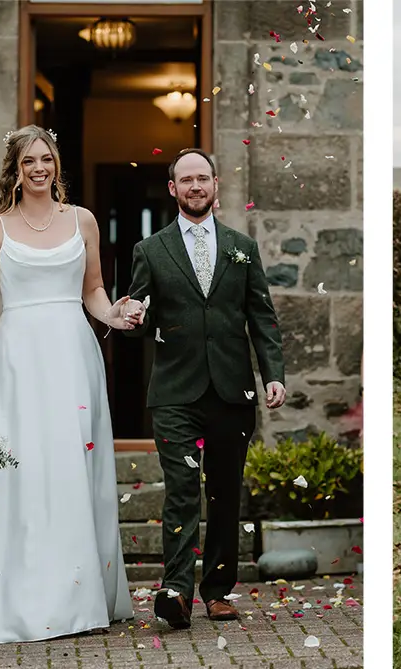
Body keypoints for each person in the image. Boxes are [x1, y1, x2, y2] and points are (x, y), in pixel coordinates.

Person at [0, 125, 136, 643]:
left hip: (74, 355)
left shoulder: (82, 221)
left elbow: (94, 290)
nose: (40, 168)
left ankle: (79, 596)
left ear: (57, 165)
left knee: (71, 466)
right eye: (30, 160)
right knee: (22, 470)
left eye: (47, 159)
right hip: (17, 360)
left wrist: (117, 316)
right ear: (15, 167)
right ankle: (20, 598)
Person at [121, 148, 286, 629]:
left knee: (225, 494)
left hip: (233, 389)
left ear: (216, 185)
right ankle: (175, 590)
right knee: (181, 490)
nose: (195, 187)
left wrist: (272, 373)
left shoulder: (243, 247)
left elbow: (262, 317)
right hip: (175, 390)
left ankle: (217, 592)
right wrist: (133, 315)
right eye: (185, 180)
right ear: (172, 189)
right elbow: (138, 311)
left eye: (202, 179)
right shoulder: (150, 250)